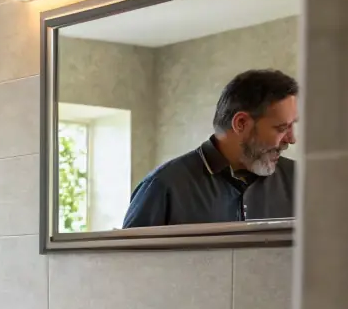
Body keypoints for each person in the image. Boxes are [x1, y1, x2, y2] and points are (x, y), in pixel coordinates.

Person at [122, 69, 298, 228]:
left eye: (292, 126)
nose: (291, 139)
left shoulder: (301, 181)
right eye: (282, 128)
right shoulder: (163, 187)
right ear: (241, 123)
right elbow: (128, 262)